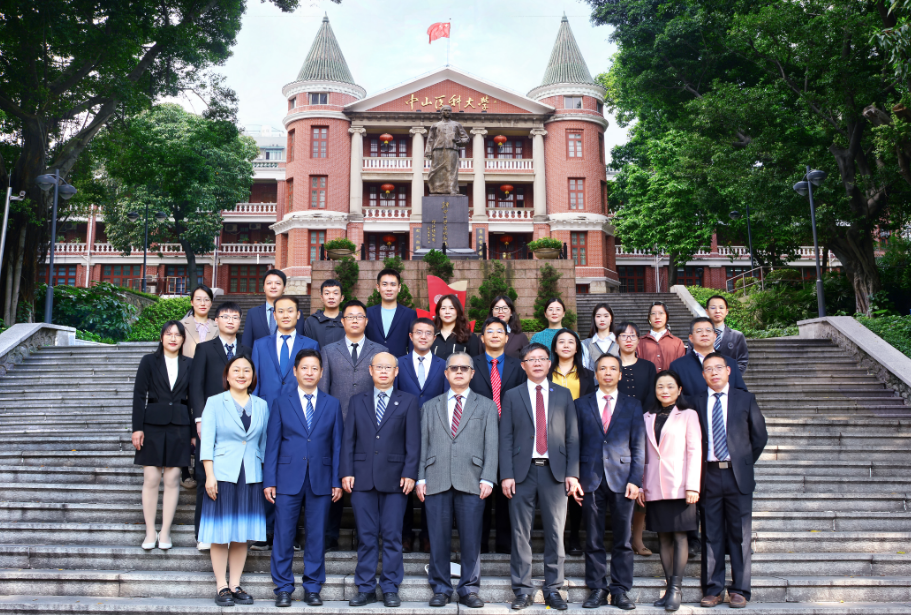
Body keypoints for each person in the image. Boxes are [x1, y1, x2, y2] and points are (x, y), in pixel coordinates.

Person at [499, 343, 581, 611]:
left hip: (554, 473)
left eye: (542, 359)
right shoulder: (512, 395)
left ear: (549, 363)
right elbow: (505, 437)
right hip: (521, 473)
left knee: (556, 532)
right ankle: (522, 590)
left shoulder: (563, 394)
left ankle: (554, 588)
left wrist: (572, 473)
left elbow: (572, 436)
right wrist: (506, 474)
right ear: (523, 365)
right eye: (531, 359)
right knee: (520, 533)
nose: (536, 363)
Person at [416, 352, 499, 609]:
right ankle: (440, 588)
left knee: (471, 539)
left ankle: (469, 589)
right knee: (438, 538)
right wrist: (420, 477)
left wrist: (488, 477)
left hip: (472, 479)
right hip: (436, 477)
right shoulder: (430, 406)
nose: (459, 372)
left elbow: (492, 445)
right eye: (454, 368)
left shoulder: (486, 406)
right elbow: (423, 444)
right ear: (446, 373)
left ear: (472, 373)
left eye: (464, 368)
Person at [265, 349, 344, 608]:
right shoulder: (281, 402)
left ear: (321, 373)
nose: (309, 373)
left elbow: (337, 445)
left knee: (316, 534)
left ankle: (312, 587)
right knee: (283, 534)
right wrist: (269, 480)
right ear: (295, 371)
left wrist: (336, 480)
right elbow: (273, 444)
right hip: (287, 478)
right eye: (305, 368)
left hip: (321, 478)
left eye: (314, 368)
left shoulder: (332, 404)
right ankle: (283, 588)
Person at [341, 352, 420, 608]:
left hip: (396, 480)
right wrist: (346, 471)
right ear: (370, 370)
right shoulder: (357, 401)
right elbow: (348, 440)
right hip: (362, 477)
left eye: (389, 367)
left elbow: (413, 442)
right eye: (379, 367)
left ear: (396, 372)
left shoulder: (408, 401)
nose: (384, 371)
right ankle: (365, 587)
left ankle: (390, 587)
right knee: (366, 535)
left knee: (392, 535)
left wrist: (410, 472)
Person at [694, 353, 767, 609]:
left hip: (738, 477)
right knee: (711, 534)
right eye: (708, 369)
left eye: (718, 368)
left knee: (740, 535)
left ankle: (740, 590)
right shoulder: (695, 402)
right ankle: (712, 589)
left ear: (728, 371)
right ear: (703, 375)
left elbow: (759, 437)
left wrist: (743, 462)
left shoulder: (745, 399)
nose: (713, 372)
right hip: (708, 475)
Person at [574, 354, 645, 611]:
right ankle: (597, 589)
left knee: (623, 539)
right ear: (595, 374)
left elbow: (639, 446)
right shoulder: (580, 404)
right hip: (590, 478)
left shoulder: (633, 404)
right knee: (593, 538)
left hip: (623, 479)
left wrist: (636, 480)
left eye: (612, 368)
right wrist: (574, 477)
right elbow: (574, 443)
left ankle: (620, 590)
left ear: (620, 374)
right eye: (602, 368)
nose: (607, 372)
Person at [198, 355, 269, 607]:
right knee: (220, 532)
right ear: (227, 376)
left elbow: (263, 443)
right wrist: (209, 475)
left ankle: (235, 584)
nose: (241, 374)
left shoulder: (262, 405)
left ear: (253, 376)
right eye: (236, 370)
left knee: (242, 532)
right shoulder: (215, 402)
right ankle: (221, 586)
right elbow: (207, 441)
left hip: (251, 475)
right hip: (222, 474)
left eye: (246, 370)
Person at [249, 295, 319, 551]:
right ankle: (266, 531)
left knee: (296, 473)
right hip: (267, 417)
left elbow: (313, 381)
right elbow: (255, 383)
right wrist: (255, 418)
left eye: (291, 311)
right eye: (281, 311)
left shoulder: (310, 343)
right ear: (274, 315)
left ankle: (292, 533)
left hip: (299, 420)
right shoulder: (260, 345)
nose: (286, 315)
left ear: (298, 315)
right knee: (268, 471)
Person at [319, 299, 387, 550]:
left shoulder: (380, 350)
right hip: (338, 426)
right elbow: (324, 390)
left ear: (366, 321)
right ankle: (330, 536)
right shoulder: (328, 350)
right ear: (343, 321)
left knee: (368, 484)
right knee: (335, 479)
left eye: (360, 316)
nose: (355, 320)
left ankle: (365, 537)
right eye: (350, 316)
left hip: (372, 429)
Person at [638, 370, 702, 611]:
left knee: (680, 536)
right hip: (654, 485)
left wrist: (693, 486)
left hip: (680, 485)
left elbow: (694, 451)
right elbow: (642, 453)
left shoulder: (688, 415)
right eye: (660, 387)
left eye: (670, 386)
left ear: (679, 389)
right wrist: (641, 484)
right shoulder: (647, 416)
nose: (665, 390)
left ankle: (676, 589)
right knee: (662, 537)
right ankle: (668, 588)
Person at [189, 302, 251, 551]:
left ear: (240, 321)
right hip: (211, 422)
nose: (230, 320)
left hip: (239, 425)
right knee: (206, 477)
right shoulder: (204, 349)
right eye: (225, 316)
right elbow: (196, 386)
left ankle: (230, 532)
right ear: (216, 321)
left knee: (235, 477)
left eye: (235, 317)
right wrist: (199, 419)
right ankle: (203, 534)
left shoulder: (247, 349)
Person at [132, 320, 193, 552]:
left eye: (177, 335)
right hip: (152, 424)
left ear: (183, 339)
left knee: (172, 479)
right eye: (168, 334)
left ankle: (165, 531)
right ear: (161, 337)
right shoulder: (149, 361)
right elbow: (139, 395)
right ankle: (150, 531)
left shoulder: (190, 363)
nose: (173, 338)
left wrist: (194, 431)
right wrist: (137, 428)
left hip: (180, 425)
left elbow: (194, 399)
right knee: (151, 478)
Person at [469, 317, 526, 555]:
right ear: (482, 338)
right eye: (489, 331)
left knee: (506, 491)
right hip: (477, 437)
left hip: (509, 437)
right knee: (478, 493)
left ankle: (504, 544)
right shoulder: (470, 365)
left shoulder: (519, 366)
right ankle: (479, 545)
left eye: (499, 331)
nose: (494, 335)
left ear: (507, 338)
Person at [394, 317, 449, 553]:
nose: (423, 336)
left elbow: (446, 399)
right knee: (402, 485)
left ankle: (428, 536)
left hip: (434, 432)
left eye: (428, 333)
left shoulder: (444, 365)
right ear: (411, 336)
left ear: (434, 338)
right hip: (402, 432)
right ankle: (405, 536)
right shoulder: (398, 363)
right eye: (419, 332)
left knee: (432, 485)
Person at [548, 328, 595, 558]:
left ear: (577, 348)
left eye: (571, 342)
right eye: (561, 342)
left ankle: (574, 535)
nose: (566, 345)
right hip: (551, 434)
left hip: (580, 434)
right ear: (555, 347)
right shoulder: (546, 373)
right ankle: (555, 536)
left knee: (577, 484)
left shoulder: (587, 376)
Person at [615, 321, 658, 557]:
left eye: (632, 335)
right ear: (617, 340)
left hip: (644, 427)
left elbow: (653, 395)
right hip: (616, 430)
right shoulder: (611, 365)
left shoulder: (648, 367)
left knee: (641, 481)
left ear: (639, 340)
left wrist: (641, 418)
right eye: (624, 335)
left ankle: (638, 539)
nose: (628, 339)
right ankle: (621, 536)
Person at [179, 285, 217, 490]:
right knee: (186, 421)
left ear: (211, 302)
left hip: (209, 379)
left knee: (204, 421)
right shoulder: (181, 325)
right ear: (192, 302)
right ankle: (185, 470)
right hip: (185, 377)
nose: (203, 303)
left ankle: (201, 468)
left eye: (206, 299)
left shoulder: (217, 326)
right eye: (199, 299)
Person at [670, 317, 748, 400]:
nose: (704, 334)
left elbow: (742, 394)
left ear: (715, 336)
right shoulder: (678, 366)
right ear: (691, 338)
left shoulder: (730, 363)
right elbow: (674, 397)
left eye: (708, 330)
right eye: (699, 331)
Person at [240, 269, 305, 349]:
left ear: (284, 288)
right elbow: (246, 345)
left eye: (278, 283)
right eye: (269, 283)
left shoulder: (295, 313)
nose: (273, 286)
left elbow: (300, 342)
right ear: (264, 288)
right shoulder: (253, 313)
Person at [365, 268, 417, 358]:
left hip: (400, 364)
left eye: (393, 285)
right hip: (373, 364)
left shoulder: (410, 314)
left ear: (399, 287)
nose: (389, 289)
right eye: (384, 284)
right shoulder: (367, 313)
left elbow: (412, 346)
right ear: (378, 287)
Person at [636, 301, 686, 372]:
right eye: (653, 314)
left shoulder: (678, 343)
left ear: (667, 316)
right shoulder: (639, 342)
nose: (657, 317)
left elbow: (681, 368)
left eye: (661, 313)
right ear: (649, 318)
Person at [706, 295, 749, 374]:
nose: (717, 311)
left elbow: (742, 362)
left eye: (721, 307)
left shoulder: (737, 336)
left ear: (726, 311)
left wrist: (729, 378)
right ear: (707, 311)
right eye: (713, 308)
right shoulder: (698, 336)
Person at [431, 294, 482, 358]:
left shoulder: (469, 337)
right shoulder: (431, 335)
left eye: (451, 308)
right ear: (438, 312)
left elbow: (475, 362)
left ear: (458, 311)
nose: (447, 312)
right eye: (443, 308)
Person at [303, 279, 346, 349]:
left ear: (342, 298)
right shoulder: (311, 321)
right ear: (322, 297)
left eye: (335, 293)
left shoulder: (348, 320)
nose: (331, 297)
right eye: (327, 293)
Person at [581, 303, 619, 372]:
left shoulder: (620, 342)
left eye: (606, 316)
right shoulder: (585, 344)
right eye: (598, 316)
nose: (602, 319)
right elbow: (584, 370)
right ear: (594, 319)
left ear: (611, 319)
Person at [489, 295, 529, 360]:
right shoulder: (483, 337)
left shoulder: (521, 337)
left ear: (511, 312)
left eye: (505, 308)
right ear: (492, 312)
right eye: (496, 308)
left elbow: (527, 362)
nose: (500, 311)